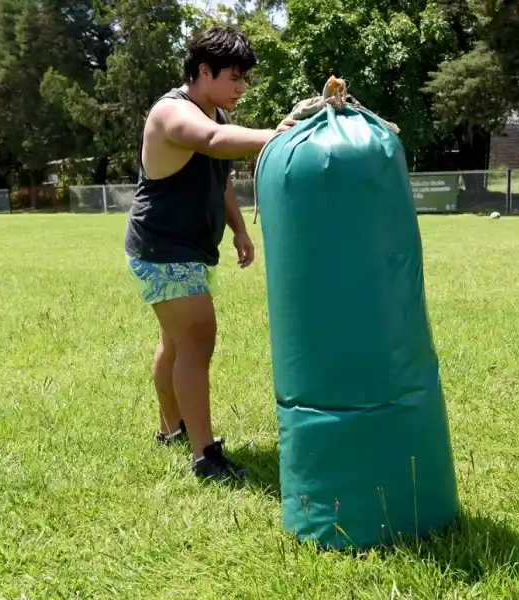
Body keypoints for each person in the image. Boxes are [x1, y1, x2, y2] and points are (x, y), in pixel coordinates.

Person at [124, 26, 296, 479]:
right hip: (163, 246)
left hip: (184, 247)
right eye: (234, 77)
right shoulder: (172, 113)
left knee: (175, 343)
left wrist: (239, 230)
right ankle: (205, 456)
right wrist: (276, 136)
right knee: (197, 340)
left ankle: (171, 431)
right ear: (204, 71)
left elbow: (218, 179)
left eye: (245, 79)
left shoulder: (213, 112)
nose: (242, 87)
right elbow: (213, 143)